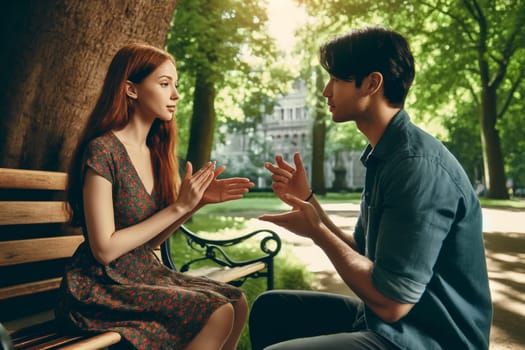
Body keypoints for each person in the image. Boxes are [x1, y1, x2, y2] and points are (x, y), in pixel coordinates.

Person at [249, 27, 492, 350]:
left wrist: (318, 234)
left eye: (336, 79)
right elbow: (362, 251)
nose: (325, 91)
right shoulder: (386, 154)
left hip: (429, 338)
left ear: (372, 83)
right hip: (393, 323)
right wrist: (308, 201)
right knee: (273, 309)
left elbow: (393, 303)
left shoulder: (415, 166)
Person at [55, 42, 254, 350]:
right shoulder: (103, 150)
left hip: (141, 272)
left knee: (237, 301)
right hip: (99, 285)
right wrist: (180, 207)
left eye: (176, 85)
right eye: (164, 84)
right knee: (217, 311)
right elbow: (104, 249)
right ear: (131, 89)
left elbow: (153, 242)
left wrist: (194, 204)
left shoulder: (156, 152)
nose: (175, 94)